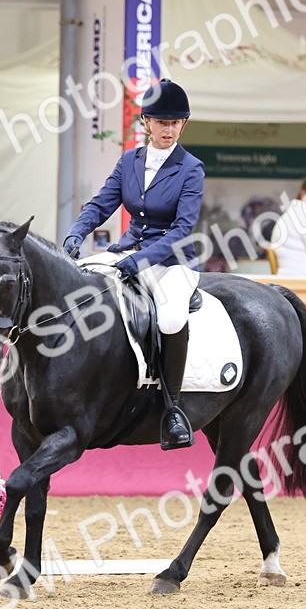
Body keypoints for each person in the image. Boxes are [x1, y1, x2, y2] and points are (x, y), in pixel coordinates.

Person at [62, 78, 203, 450]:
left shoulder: (191, 168)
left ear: (183, 124)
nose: (168, 129)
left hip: (172, 261)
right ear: (147, 123)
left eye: (175, 123)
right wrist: (76, 233)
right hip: (127, 252)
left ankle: (173, 410)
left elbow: (183, 229)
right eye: (161, 122)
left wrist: (140, 261)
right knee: (80, 284)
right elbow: (100, 204)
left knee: (172, 317)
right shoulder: (129, 161)